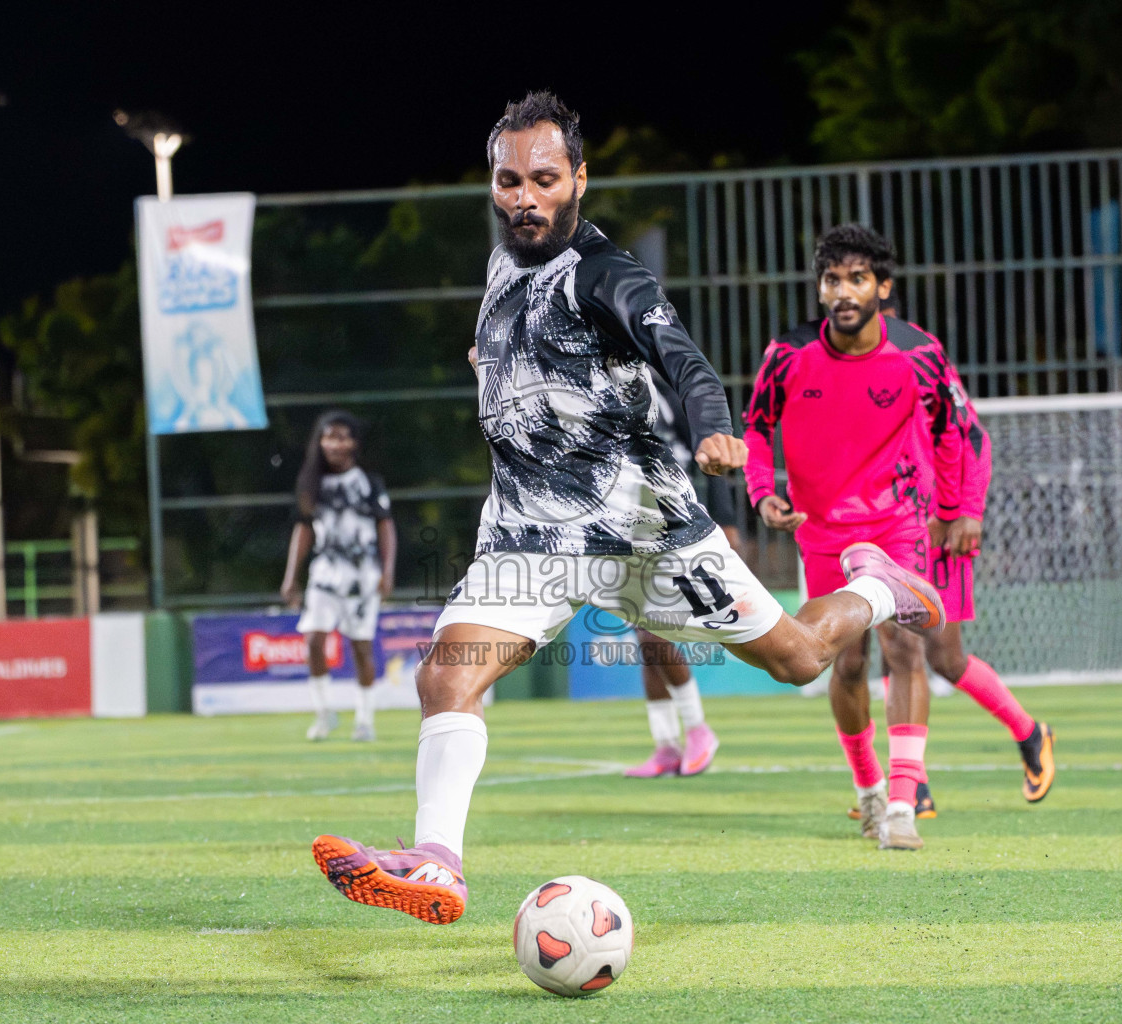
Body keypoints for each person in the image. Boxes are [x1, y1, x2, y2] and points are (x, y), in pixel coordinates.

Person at [309, 91, 944, 925]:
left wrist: (718, 432)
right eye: (508, 181)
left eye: (543, 179)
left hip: (643, 530)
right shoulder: (505, 262)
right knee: (444, 676)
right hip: (531, 532)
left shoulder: (609, 276)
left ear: (579, 178)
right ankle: (438, 862)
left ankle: (879, 589)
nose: (524, 197)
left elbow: (684, 362)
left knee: (796, 658)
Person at [745, 225, 1053, 852]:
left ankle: (905, 803)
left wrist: (961, 510)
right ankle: (871, 791)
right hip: (823, 531)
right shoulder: (787, 354)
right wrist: (761, 493)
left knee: (915, 651)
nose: (843, 291)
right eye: (832, 279)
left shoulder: (918, 354)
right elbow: (755, 428)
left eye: (858, 278)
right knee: (847, 660)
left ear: (883, 287)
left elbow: (963, 435)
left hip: (900, 523)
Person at [623, 377, 733, 779]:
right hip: (620, 519)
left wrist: (727, 517)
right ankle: (666, 744)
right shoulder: (591, 377)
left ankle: (699, 730)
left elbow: (708, 448)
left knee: (655, 633)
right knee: (643, 637)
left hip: (669, 515)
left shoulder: (662, 385)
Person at [279, 410, 396, 742]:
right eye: (328, 436)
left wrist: (387, 572)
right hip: (325, 573)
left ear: (354, 442)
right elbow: (302, 530)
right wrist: (291, 576)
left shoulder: (368, 483)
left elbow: (386, 527)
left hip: (362, 575)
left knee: (361, 647)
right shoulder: (310, 484)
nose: (335, 443)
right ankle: (323, 713)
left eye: (342, 436)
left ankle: (365, 719)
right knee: (313, 639)